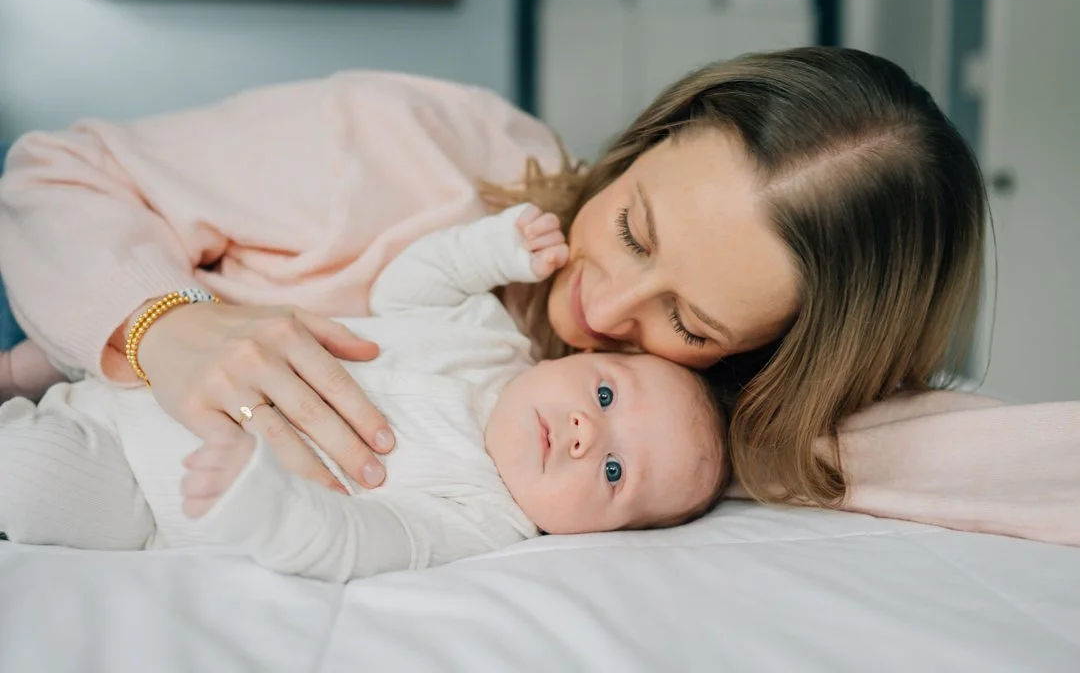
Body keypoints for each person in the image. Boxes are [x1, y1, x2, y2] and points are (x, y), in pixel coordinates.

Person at [0, 47, 1003, 514]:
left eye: (691, 323)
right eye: (633, 229)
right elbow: (54, 172)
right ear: (645, 142)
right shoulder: (413, 149)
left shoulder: (684, 435)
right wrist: (164, 324)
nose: (604, 309)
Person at [0, 204, 728, 582]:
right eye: (605, 397)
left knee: (26, 481)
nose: (584, 433)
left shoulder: (483, 519)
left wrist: (265, 502)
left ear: (604, 536)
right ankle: (32, 375)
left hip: (137, 483)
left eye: (613, 471)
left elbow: (357, 540)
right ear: (588, 355)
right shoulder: (493, 340)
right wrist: (493, 250)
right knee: (64, 347)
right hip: (156, 361)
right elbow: (407, 288)